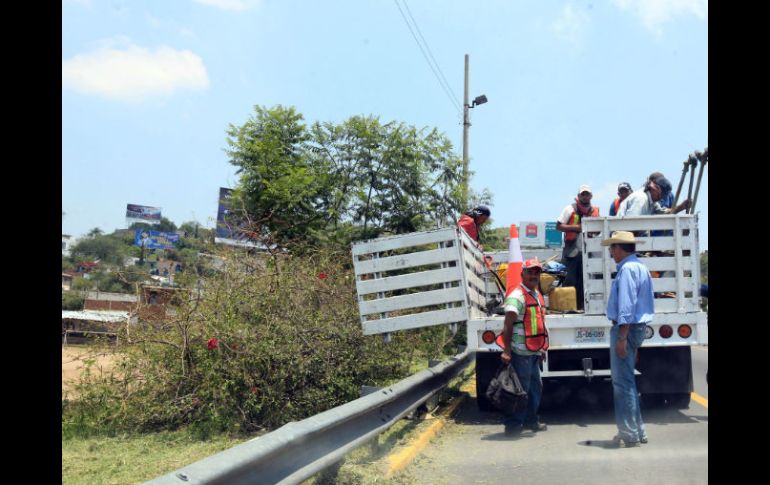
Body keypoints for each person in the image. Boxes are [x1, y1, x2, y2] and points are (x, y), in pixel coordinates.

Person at [601, 231, 654, 447]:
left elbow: (626, 306)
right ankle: (637, 431)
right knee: (628, 382)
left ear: (620, 248)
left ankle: (629, 433)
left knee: (622, 384)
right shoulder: (640, 267)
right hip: (636, 328)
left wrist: (622, 337)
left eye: (612, 247)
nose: (611, 252)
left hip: (627, 328)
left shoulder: (628, 270)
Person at [500, 258, 549, 436]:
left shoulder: (536, 294)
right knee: (520, 390)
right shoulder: (517, 296)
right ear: (522, 274)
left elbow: (538, 323)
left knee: (535, 387)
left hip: (533, 351)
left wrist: (541, 348)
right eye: (530, 272)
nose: (534, 275)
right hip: (520, 352)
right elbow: (507, 325)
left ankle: (531, 421)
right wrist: (506, 351)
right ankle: (513, 426)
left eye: (537, 272)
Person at [556, 185, 599, 311]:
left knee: (585, 281)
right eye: (583, 194)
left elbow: (599, 230)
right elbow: (558, 226)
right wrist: (577, 228)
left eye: (587, 194)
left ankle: (582, 308)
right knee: (569, 279)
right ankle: (568, 308)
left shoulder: (595, 211)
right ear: (579, 196)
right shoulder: (570, 208)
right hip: (572, 250)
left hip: (588, 250)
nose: (585, 196)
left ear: (591, 196)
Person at [619, 175, 690, 217]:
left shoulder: (652, 202)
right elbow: (631, 222)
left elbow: (663, 213)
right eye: (661, 195)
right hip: (622, 236)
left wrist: (681, 207)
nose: (661, 198)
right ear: (654, 189)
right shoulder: (641, 199)